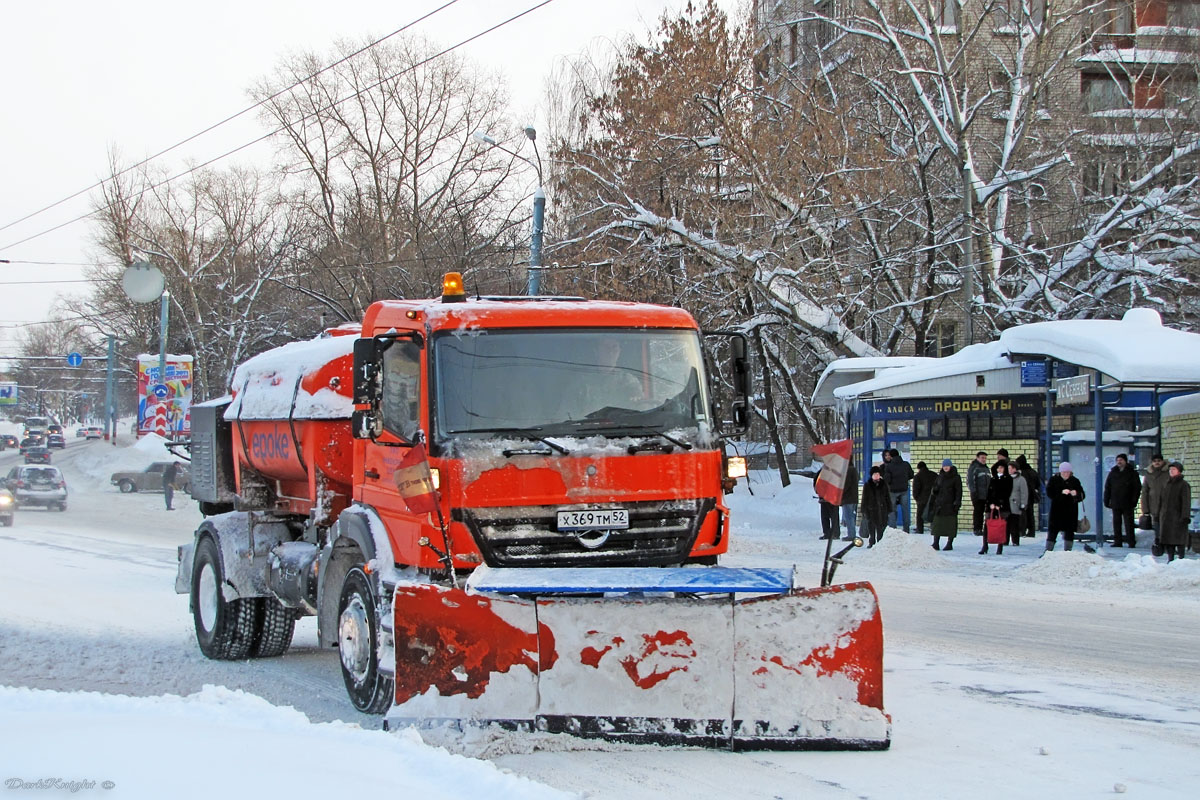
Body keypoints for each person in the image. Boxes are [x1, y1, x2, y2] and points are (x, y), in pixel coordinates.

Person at [1045, 462, 1086, 552]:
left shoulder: (1075, 481)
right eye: (1064, 472)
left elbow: (1082, 495)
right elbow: (1050, 493)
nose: (1066, 474)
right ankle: (1048, 551)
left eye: (1068, 472)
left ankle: (1068, 551)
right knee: (1053, 531)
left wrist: (1076, 493)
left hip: (1070, 510)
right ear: (1060, 472)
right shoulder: (1054, 480)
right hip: (1057, 510)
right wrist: (1061, 493)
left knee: (1069, 531)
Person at [1103, 453, 1142, 548]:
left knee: (1129, 523)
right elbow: (1108, 487)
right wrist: (1106, 500)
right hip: (1116, 501)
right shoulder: (1113, 472)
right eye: (1118, 460)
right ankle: (1118, 541)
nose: (1119, 462)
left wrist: (1134, 500)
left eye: (1121, 460)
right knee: (1116, 522)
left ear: (1125, 461)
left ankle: (1131, 541)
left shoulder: (1132, 472)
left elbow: (1137, 488)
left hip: (1128, 502)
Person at [1158, 462, 1192, 562]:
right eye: (1170, 470)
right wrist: (1158, 513)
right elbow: (1161, 500)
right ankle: (1170, 558)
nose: (1171, 471)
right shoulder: (1167, 483)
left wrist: (1185, 516)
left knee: (1179, 539)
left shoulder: (1183, 484)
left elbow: (1186, 501)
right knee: (1168, 540)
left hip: (1178, 516)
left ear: (1179, 471)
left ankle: (1181, 558)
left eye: (1173, 469)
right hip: (1166, 516)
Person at [929, 458, 962, 551]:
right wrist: (935, 490)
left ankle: (949, 543)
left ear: (950, 466)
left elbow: (958, 492)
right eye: (944, 466)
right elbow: (935, 489)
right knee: (937, 525)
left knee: (950, 525)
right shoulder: (940, 476)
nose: (945, 468)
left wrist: (957, 503)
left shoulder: (956, 477)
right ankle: (936, 543)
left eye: (947, 466)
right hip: (939, 505)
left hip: (950, 505)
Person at [981, 460, 1013, 555]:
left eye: (1002, 468)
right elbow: (989, 493)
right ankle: (985, 546)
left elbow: (1007, 493)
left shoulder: (1008, 479)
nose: (1000, 470)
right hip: (991, 506)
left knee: (1000, 526)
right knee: (987, 525)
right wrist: (990, 503)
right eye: (998, 468)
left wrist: (999, 504)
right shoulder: (993, 479)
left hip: (1002, 506)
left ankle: (1000, 547)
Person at [1140, 453, 1170, 550]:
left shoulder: (1168, 472)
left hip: (1167, 503)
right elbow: (1145, 491)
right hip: (1153, 504)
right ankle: (1158, 543)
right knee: (1156, 525)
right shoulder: (1149, 474)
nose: (1157, 463)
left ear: (1162, 462)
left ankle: (1166, 543)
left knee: (1166, 525)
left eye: (1159, 461)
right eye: (1154, 461)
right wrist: (1145, 508)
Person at [882, 448, 914, 532]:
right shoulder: (906, 464)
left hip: (892, 491)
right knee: (905, 510)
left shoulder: (889, 466)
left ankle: (893, 529)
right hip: (904, 490)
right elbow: (911, 475)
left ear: (891, 456)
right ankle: (906, 529)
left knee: (892, 510)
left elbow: (887, 479)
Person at [860, 466, 891, 547]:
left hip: (882, 509)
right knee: (871, 527)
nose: (876, 476)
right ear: (871, 475)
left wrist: (889, 508)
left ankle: (880, 542)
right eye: (874, 474)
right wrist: (863, 509)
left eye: (877, 474)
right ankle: (872, 542)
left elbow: (887, 497)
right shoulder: (868, 485)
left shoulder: (884, 484)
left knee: (881, 527)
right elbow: (864, 498)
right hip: (871, 509)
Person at [1016, 454, 1041, 538]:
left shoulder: (1021, 473)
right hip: (1031, 495)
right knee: (1030, 513)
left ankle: (1022, 531)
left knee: (1023, 514)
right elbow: (1038, 484)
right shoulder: (1033, 472)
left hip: (1023, 496)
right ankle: (1031, 530)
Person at [967, 451, 991, 537]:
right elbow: (970, 481)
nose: (984, 459)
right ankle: (977, 529)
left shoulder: (986, 468)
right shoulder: (974, 468)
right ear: (977, 458)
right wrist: (974, 492)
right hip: (977, 494)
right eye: (982, 458)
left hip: (985, 495)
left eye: (985, 458)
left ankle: (983, 528)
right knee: (978, 512)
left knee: (983, 512)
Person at [814, 465, 840, 540]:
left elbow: (815, 483)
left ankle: (829, 533)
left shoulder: (821, 473)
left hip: (826, 498)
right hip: (831, 498)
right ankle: (833, 533)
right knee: (832, 517)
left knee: (826, 517)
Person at [1006, 461, 1028, 546]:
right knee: (1006, 523)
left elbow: (1024, 492)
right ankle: (1005, 540)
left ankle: (1015, 541)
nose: (1009, 470)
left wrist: (1023, 503)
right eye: (1008, 468)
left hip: (1015, 504)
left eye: (1011, 468)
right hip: (1006, 505)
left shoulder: (1021, 479)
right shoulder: (1006, 477)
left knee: (1014, 523)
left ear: (1015, 469)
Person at [912, 461, 935, 535]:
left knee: (920, 515)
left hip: (922, 499)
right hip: (933, 498)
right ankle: (934, 529)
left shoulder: (918, 476)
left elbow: (916, 489)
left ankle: (920, 529)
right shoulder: (933, 474)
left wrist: (916, 498)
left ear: (918, 468)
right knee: (933, 513)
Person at [840, 461, 860, 541]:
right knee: (850, 516)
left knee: (849, 517)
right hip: (854, 497)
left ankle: (851, 535)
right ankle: (852, 533)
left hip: (848, 498)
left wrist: (840, 492)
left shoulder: (848, 471)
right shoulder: (854, 470)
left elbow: (846, 485)